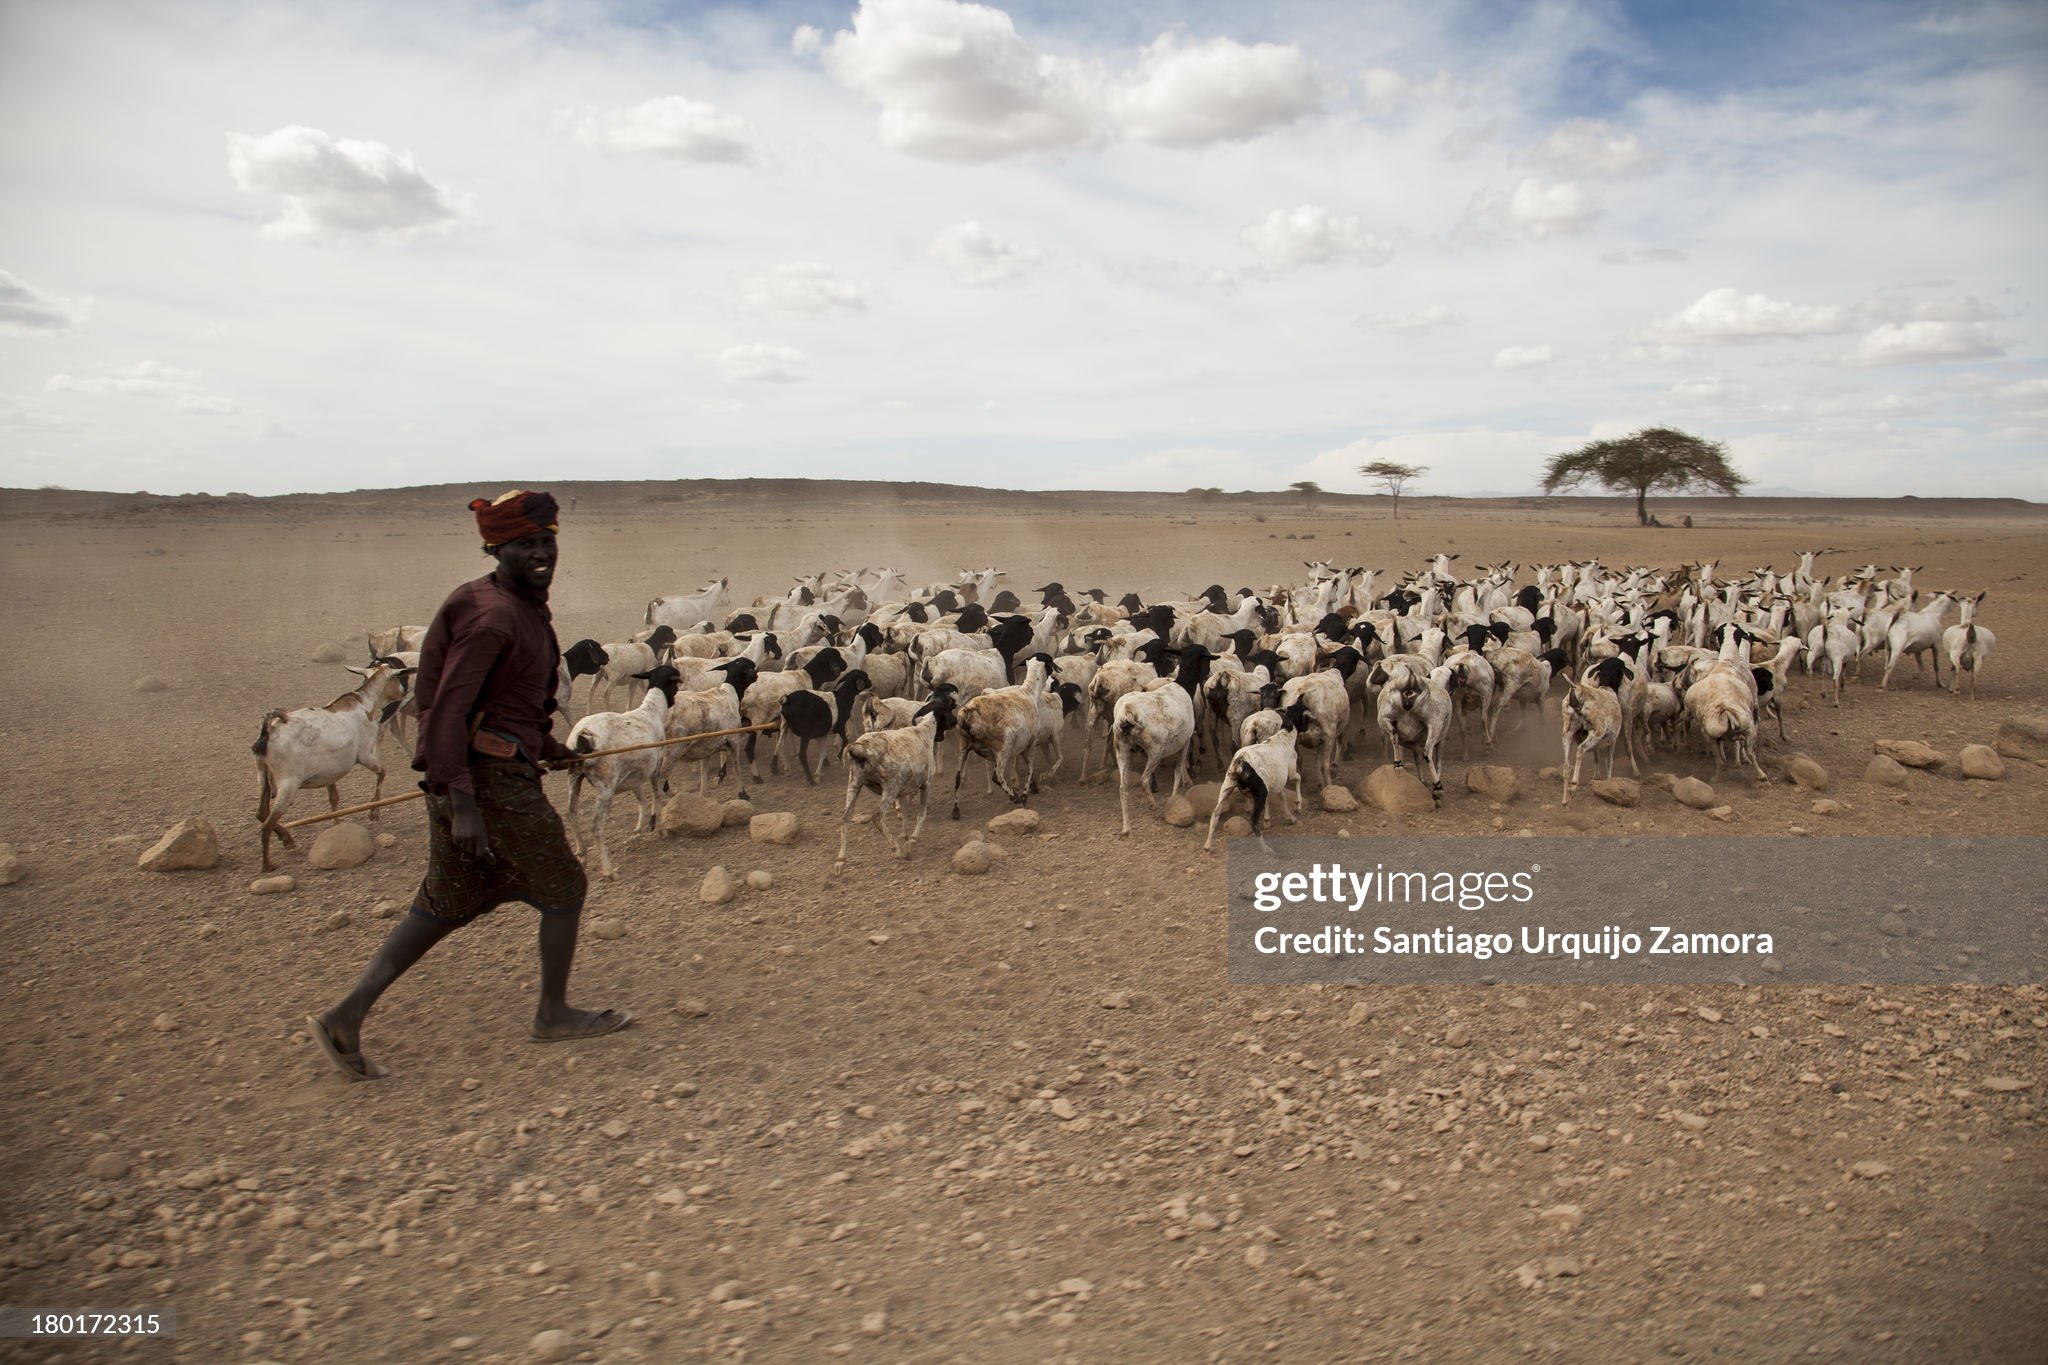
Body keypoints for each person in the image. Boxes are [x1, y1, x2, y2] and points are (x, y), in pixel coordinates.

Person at [308, 489, 630, 1081]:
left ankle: (345, 1016)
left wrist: (547, 745)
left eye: (546, 542)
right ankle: (553, 1013)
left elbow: (500, 701)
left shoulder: (507, 601)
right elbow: (448, 708)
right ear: (496, 547)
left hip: (488, 769)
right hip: (487, 783)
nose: (540, 554)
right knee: (564, 887)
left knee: (445, 902)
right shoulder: (494, 615)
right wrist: (462, 803)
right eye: (525, 545)